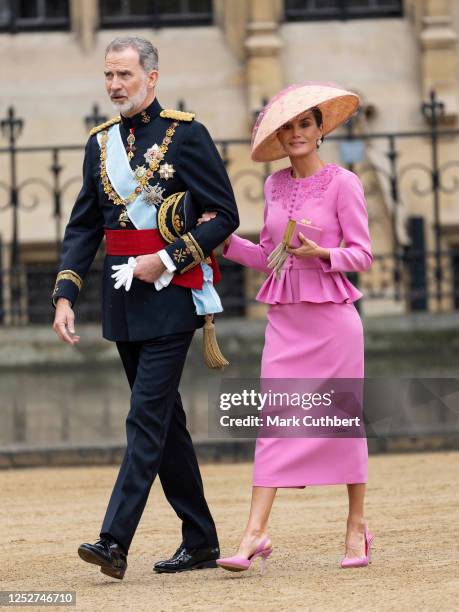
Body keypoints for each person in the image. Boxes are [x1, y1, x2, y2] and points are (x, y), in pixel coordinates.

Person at [52, 36, 239, 579]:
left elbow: (222, 213)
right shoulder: (100, 143)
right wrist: (65, 292)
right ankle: (201, 539)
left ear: (152, 78)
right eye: (108, 76)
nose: (115, 86)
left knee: (144, 418)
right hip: (123, 301)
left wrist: (170, 258)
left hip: (172, 296)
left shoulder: (187, 135)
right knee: (165, 423)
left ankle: (114, 540)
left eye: (125, 76)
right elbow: (85, 224)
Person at [213, 82, 374, 572]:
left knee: (341, 423)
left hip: (333, 321)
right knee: (275, 424)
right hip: (286, 321)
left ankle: (355, 528)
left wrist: (322, 252)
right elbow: (270, 256)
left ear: (320, 129)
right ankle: (254, 534)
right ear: (279, 138)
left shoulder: (345, 183)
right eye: (287, 127)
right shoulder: (273, 186)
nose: (297, 133)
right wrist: (221, 241)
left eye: (305, 124)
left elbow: (363, 255)